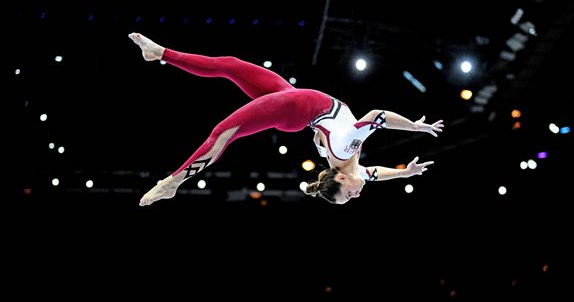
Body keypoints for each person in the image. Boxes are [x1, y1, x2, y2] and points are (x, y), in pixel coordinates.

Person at [128, 32, 444, 206]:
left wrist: (414, 126)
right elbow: (376, 174)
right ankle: (160, 54)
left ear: (342, 180)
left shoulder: (347, 151)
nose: (358, 193)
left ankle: (173, 182)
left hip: (295, 107)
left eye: (350, 194)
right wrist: (405, 174)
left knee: (224, 132)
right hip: (295, 104)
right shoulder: (352, 166)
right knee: (230, 65)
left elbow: (376, 116)